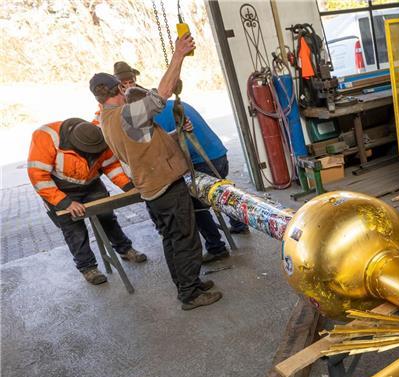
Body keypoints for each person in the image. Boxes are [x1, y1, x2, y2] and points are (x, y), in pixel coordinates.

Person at [89, 33, 223, 311]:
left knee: (172, 239)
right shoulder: (124, 114)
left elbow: (143, 144)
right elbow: (161, 95)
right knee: (185, 239)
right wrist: (178, 55)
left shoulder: (106, 119)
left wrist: (175, 135)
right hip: (165, 186)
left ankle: (189, 284)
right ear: (118, 89)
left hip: (152, 188)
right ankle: (190, 294)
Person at [115, 60, 248, 265]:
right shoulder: (173, 105)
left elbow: (164, 150)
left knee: (194, 206)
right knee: (220, 192)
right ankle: (238, 224)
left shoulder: (155, 118)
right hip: (219, 154)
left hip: (202, 161)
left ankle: (216, 247)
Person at [27, 118, 147, 284]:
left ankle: (125, 249)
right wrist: (65, 203)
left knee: (107, 216)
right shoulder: (46, 137)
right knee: (74, 230)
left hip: (91, 184)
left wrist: (128, 187)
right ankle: (88, 267)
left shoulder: (97, 135)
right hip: (59, 189)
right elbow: (38, 177)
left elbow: (110, 165)